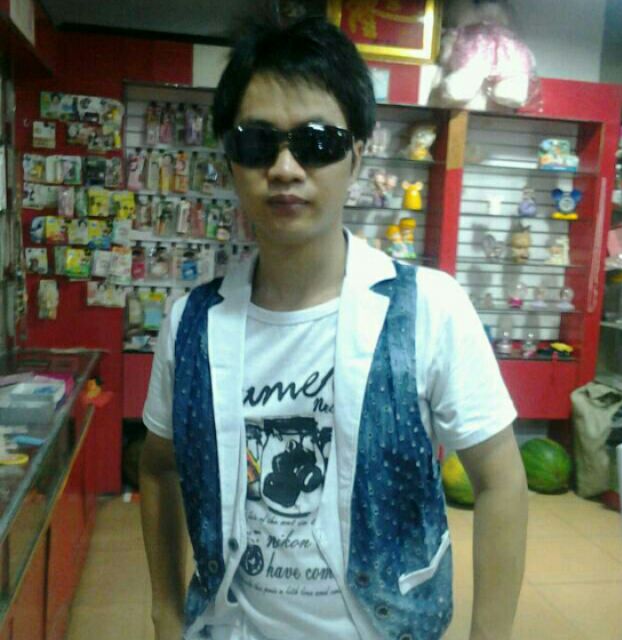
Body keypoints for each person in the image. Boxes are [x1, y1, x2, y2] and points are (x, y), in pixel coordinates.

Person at [140, 16, 528, 640]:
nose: (285, 168)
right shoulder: (191, 325)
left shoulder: (429, 310)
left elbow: (500, 478)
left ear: (358, 154)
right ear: (230, 159)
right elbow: (158, 467)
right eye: (257, 142)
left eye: (316, 142)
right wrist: (165, 611)